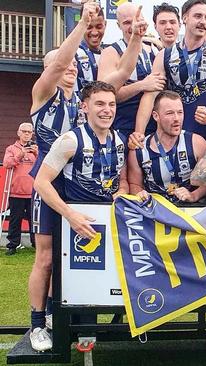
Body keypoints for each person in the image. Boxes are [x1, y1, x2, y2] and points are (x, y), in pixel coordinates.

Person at [25, 1, 143, 351]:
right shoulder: (43, 95)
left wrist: (135, 38)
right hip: (48, 180)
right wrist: (82, 23)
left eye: (76, 64)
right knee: (46, 256)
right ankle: (39, 321)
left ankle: (79, 317)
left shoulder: (86, 101)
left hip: (79, 183)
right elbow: (60, 60)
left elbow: (121, 74)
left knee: (86, 256)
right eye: (64, 64)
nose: (71, 67)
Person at [32, 81, 128, 350]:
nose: (106, 110)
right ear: (84, 107)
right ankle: (37, 324)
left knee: (86, 280)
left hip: (98, 221)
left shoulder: (119, 141)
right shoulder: (70, 140)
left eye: (111, 104)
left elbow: (121, 180)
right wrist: (69, 214)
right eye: (99, 104)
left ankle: (62, 321)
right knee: (48, 262)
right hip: (68, 215)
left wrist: (121, 190)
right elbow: (41, 182)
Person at [133, 0, 206, 145]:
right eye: (198, 16)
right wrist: (139, 133)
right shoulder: (164, 56)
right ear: (185, 18)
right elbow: (150, 95)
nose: (203, 22)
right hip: (172, 137)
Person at [128, 90, 206, 204]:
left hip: (190, 211)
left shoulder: (196, 143)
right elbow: (134, 184)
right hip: (155, 212)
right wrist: (140, 193)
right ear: (156, 116)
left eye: (180, 112)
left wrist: (193, 195)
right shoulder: (140, 149)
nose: (176, 118)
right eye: (170, 113)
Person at [98, 2, 163, 138]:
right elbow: (104, 94)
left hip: (155, 128)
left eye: (137, 20)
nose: (133, 26)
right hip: (123, 129)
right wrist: (141, 85)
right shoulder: (111, 52)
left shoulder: (154, 49)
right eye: (127, 22)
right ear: (118, 25)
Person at [3, 123, 37, 255]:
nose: (27, 134)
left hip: (33, 192)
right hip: (16, 191)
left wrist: (36, 153)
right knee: (15, 220)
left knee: (34, 220)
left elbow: (44, 165)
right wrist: (21, 154)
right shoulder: (11, 149)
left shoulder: (36, 149)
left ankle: (36, 244)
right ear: (18, 133)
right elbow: (7, 164)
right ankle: (12, 245)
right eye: (24, 131)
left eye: (29, 132)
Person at [74, 5, 106, 91]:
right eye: (89, 27)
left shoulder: (111, 54)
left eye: (99, 27)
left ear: (105, 25)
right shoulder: (73, 54)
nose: (94, 32)